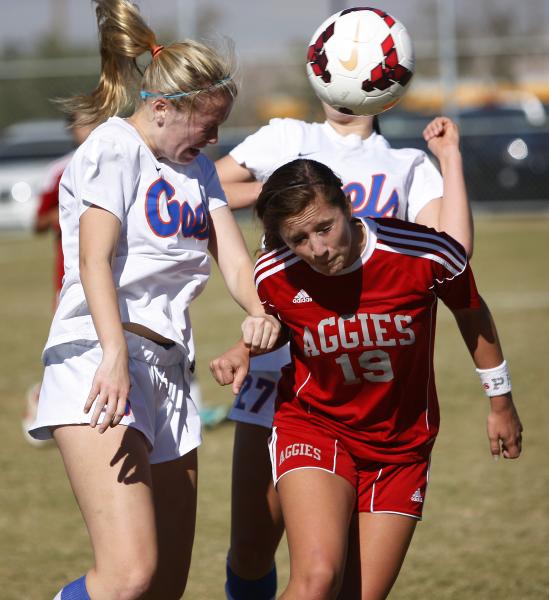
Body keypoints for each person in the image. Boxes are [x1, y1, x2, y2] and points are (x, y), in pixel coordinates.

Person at [27, 1, 278, 599]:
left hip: (168, 372)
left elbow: (236, 261)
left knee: (164, 584)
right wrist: (113, 354)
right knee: (127, 575)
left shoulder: (199, 171)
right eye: (207, 125)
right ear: (161, 108)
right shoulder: (115, 148)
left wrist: (259, 310)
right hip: (99, 357)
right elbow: (93, 259)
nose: (215, 139)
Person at [210, 158, 523, 600]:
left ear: (348, 206)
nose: (316, 249)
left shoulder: (424, 253)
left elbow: (471, 312)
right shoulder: (274, 273)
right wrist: (243, 350)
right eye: (298, 238)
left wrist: (500, 402)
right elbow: (280, 324)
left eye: (324, 228)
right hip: (315, 427)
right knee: (316, 578)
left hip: (400, 447)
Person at [22, 114, 97, 447]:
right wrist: (66, 211)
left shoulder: (120, 158)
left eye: (96, 120)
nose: (90, 128)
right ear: (72, 129)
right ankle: (42, 400)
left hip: (114, 272)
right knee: (73, 349)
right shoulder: (61, 169)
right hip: (70, 277)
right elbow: (38, 223)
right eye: (83, 123)